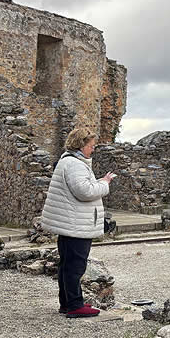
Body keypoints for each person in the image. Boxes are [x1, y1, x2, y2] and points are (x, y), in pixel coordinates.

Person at [40, 126, 115, 318]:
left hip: (70, 223)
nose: (93, 149)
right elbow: (84, 192)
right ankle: (74, 305)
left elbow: (80, 187)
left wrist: (97, 182)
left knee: (67, 265)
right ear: (81, 145)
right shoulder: (75, 164)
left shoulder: (69, 161)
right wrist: (104, 183)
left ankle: (68, 302)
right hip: (76, 225)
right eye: (91, 145)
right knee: (75, 266)